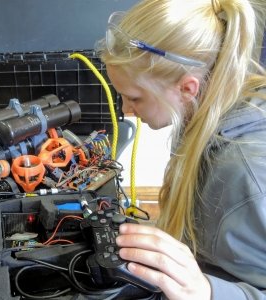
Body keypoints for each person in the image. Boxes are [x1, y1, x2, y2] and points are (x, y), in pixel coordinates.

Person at [95, 0, 266, 299]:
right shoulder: (200, 116)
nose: (126, 110)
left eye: (134, 98)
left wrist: (209, 292)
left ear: (187, 89)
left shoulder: (247, 177)